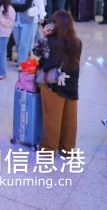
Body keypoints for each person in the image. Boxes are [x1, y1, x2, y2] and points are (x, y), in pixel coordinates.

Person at [34, 11, 82, 156]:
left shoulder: (49, 42)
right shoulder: (77, 42)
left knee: (52, 118)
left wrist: (43, 35)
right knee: (69, 118)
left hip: (53, 84)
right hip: (71, 84)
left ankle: (48, 149)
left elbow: (36, 52)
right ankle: (68, 148)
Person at [10, 0, 37, 64]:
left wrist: (15, 7)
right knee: (18, 43)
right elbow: (9, 6)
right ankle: (21, 60)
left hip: (27, 21)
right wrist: (18, 7)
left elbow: (26, 6)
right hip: (15, 21)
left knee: (23, 44)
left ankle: (22, 63)